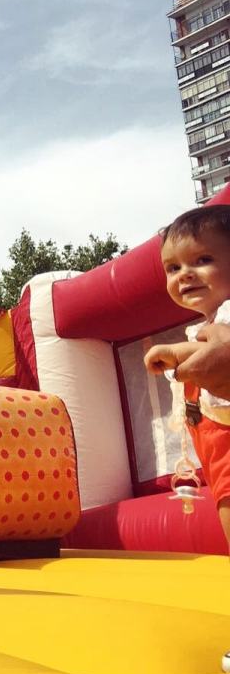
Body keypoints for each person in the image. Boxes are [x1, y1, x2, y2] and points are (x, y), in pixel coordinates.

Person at [144, 204, 230, 557]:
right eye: (173, 268)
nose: (185, 275)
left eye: (203, 260)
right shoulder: (205, 324)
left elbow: (223, 341)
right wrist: (177, 352)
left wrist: (178, 353)